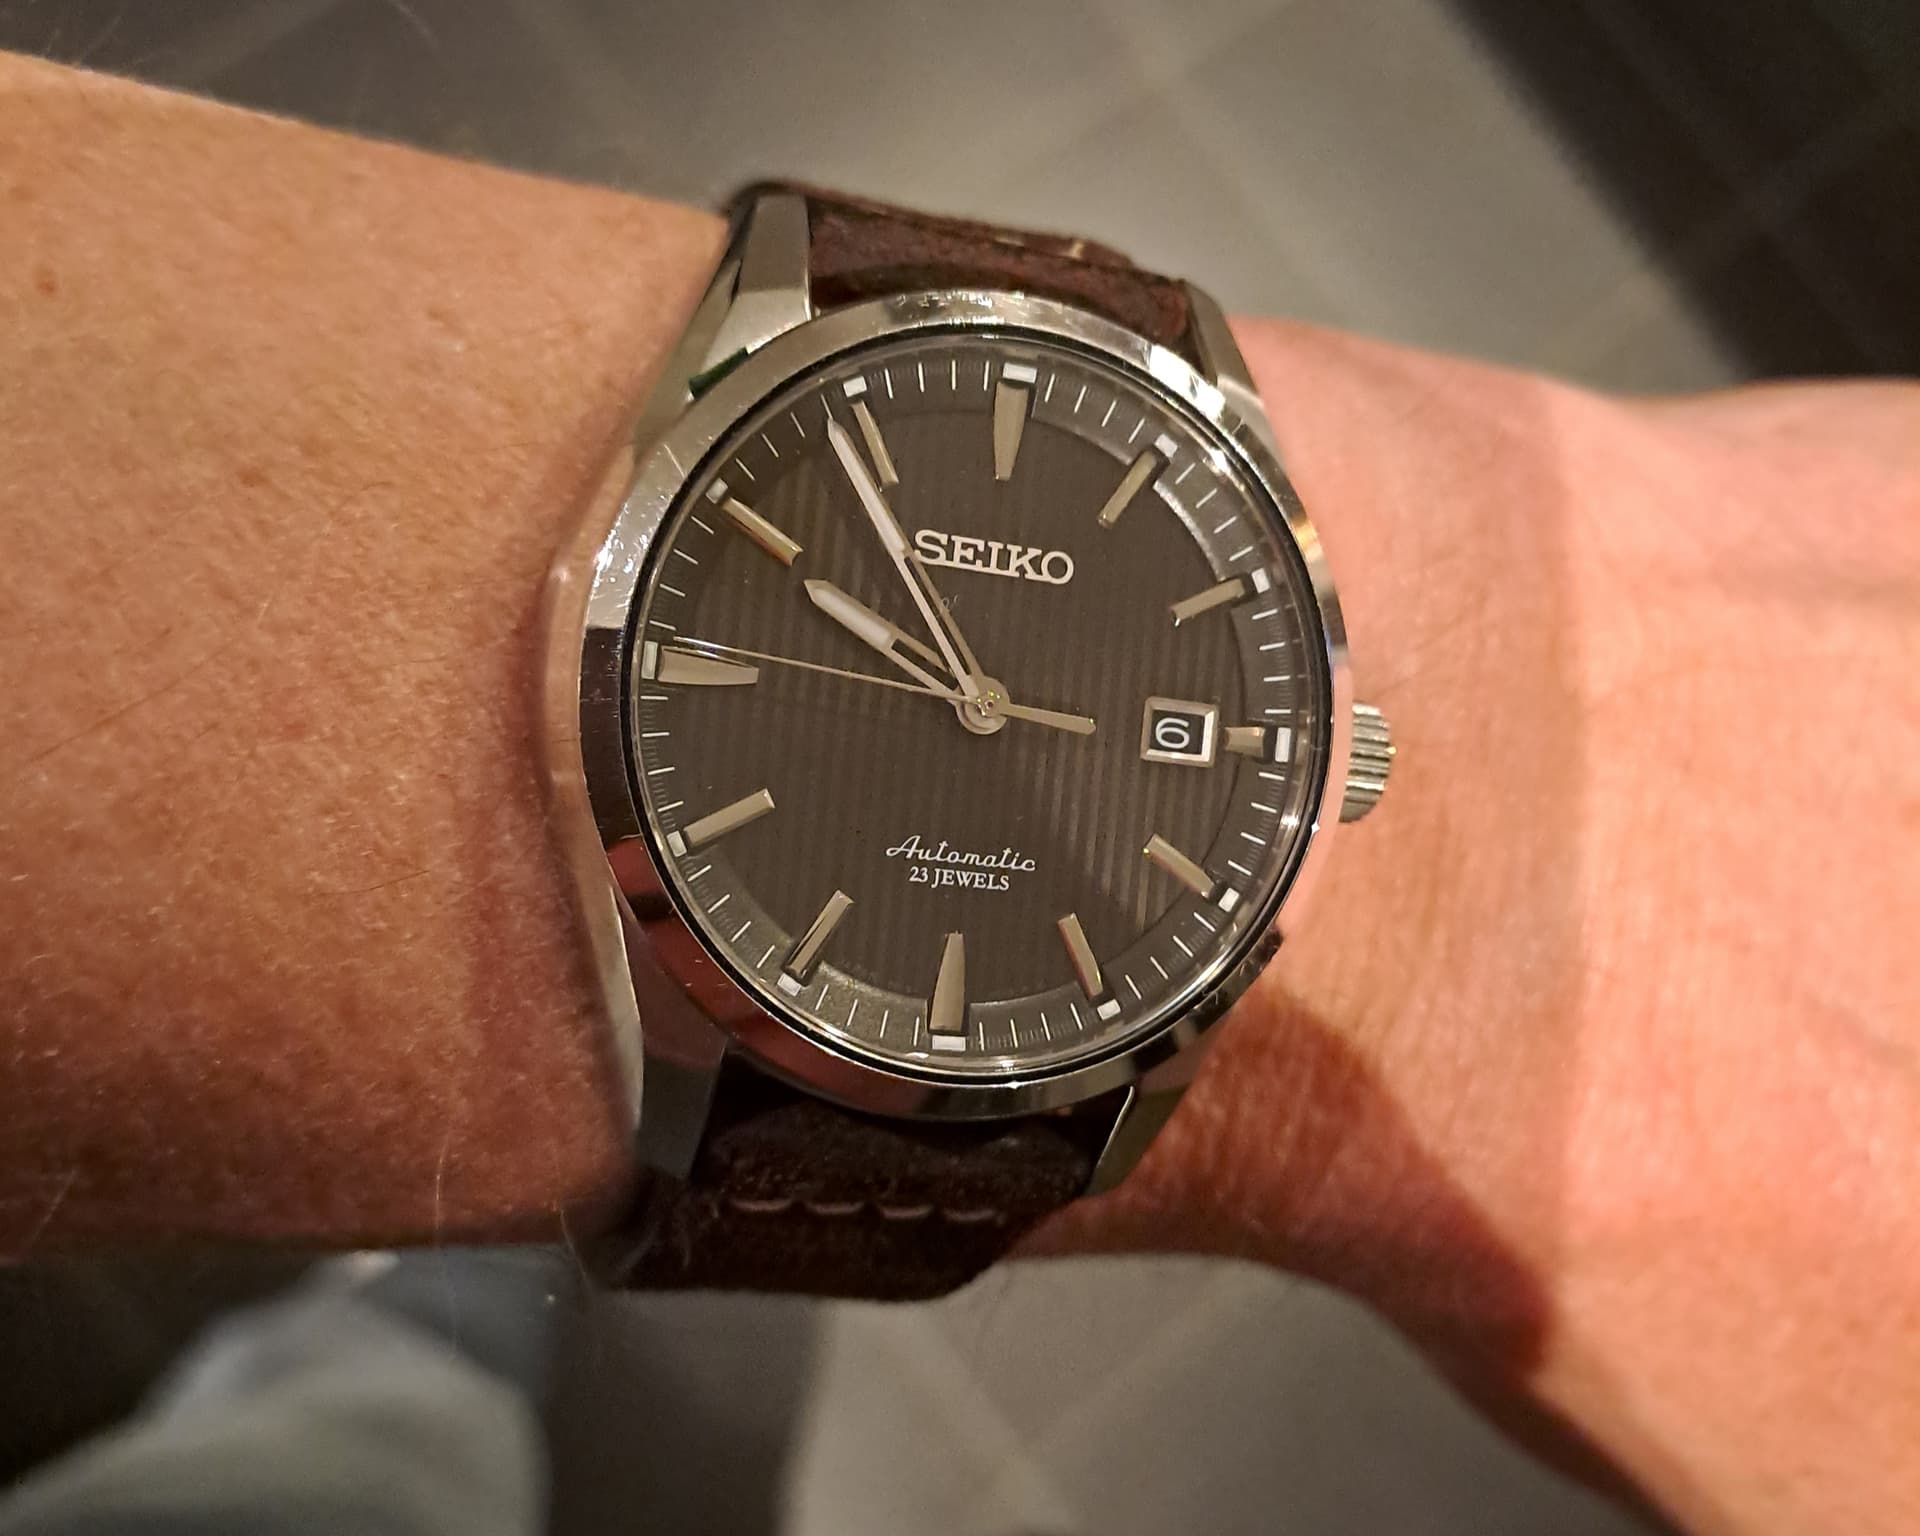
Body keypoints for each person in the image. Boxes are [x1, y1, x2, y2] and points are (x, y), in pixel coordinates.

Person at [2, 50, 1915, 1536]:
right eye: (973, 692)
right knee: (361, 1462)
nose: (987, 708)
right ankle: (403, 1359)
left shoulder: (1242, 801)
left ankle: (390, 1368)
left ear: (1348, 765)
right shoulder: (779, 432)